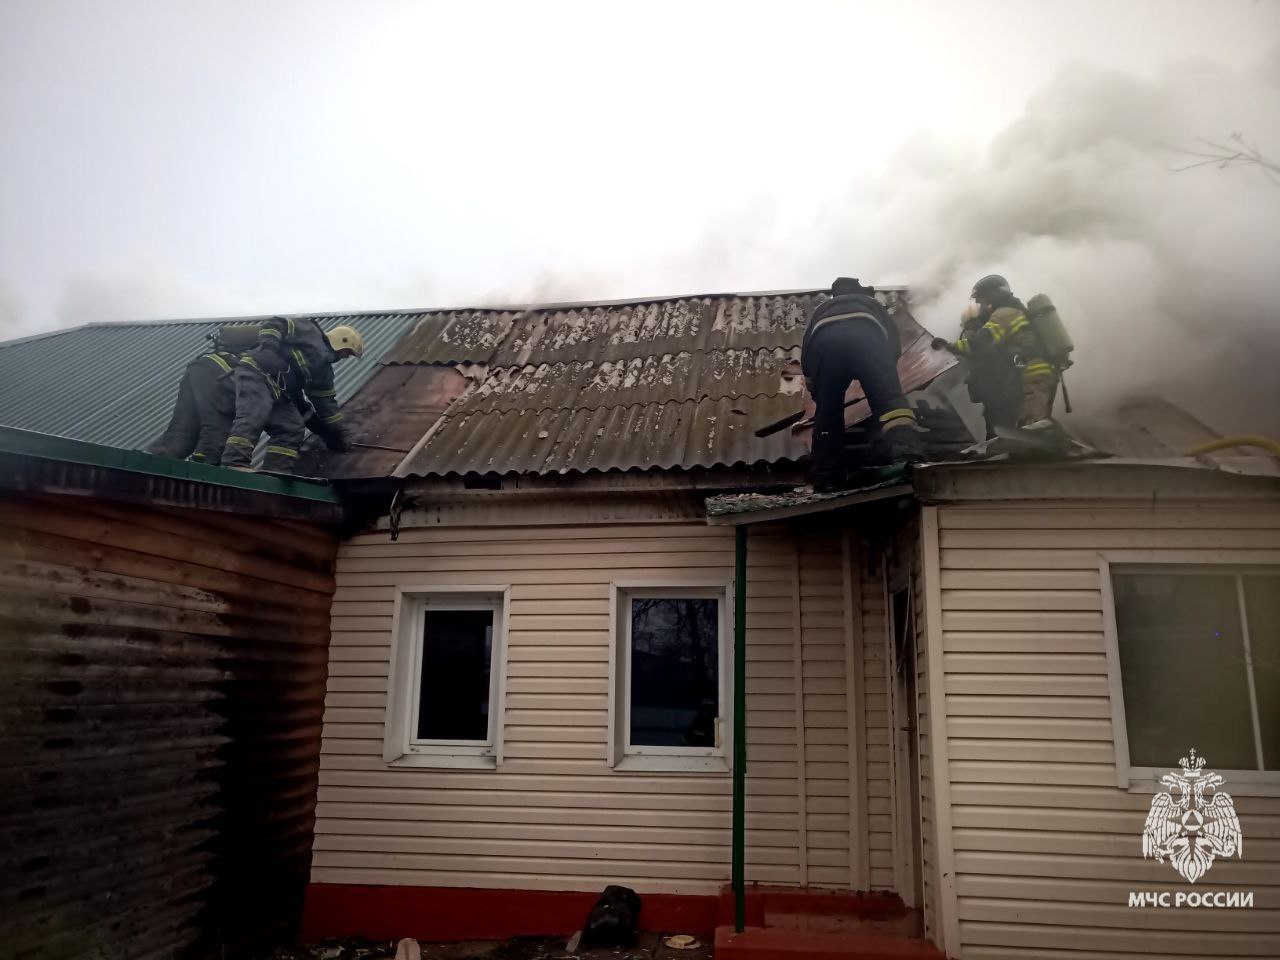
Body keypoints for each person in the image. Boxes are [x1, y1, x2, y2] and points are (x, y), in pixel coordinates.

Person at [801, 277, 923, 488]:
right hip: (867, 339)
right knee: (889, 402)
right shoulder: (870, 303)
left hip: (826, 347)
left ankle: (827, 475)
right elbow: (893, 343)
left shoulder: (822, 309)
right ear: (859, 291)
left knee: (827, 413)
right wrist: (884, 378)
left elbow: (807, 352)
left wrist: (818, 392)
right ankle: (906, 455)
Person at [221, 318, 363, 473]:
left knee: (292, 426)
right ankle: (234, 463)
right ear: (341, 342)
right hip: (258, 372)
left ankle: (276, 472)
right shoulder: (311, 332)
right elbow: (275, 323)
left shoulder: (324, 374)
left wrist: (336, 433)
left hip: (281, 391)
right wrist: (268, 349)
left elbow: (327, 406)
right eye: (348, 352)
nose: (346, 357)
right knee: (256, 411)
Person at [933, 275, 1059, 431]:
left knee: (1033, 425)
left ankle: (1056, 444)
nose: (981, 307)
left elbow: (979, 343)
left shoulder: (1004, 314)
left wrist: (948, 346)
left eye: (982, 301)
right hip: (1036, 372)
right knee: (1031, 424)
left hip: (1033, 373)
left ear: (993, 296)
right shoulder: (1015, 310)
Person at [145, 348, 240, 464]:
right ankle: (204, 464)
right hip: (221, 371)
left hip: (205, 366)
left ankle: (148, 462)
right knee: (215, 429)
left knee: (181, 433)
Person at [954, 300, 1019, 439]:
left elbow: (973, 355)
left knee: (996, 425)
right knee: (1004, 422)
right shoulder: (990, 332)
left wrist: (950, 348)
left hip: (993, 388)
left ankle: (1001, 447)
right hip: (1002, 386)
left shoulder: (972, 335)